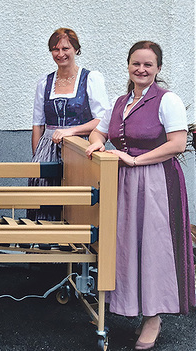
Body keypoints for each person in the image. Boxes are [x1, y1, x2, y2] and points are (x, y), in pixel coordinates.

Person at [86, 41, 195, 350]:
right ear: (128, 66)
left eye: (148, 64)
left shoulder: (167, 100)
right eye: (136, 63)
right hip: (125, 182)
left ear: (158, 68)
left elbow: (176, 143)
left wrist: (135, 160)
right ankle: (132, 307)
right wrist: (96, 142)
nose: (142, 69)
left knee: (154, 246)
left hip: (157, 181)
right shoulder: (121, 101)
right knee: (128, 245)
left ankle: (154, 317)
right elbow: (100, 130)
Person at [29, 28, 110, 221]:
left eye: (66, 48)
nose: (60, 54)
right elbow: (38, 124)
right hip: (48, 148)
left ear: (76, 49)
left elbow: (103, 119)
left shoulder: (91, 79)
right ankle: (44, 246)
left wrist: (70, 131)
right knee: (45, 200)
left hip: (79, 148)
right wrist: (37, 159)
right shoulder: (44, 82)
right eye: (55, 49)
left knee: (76, 202)